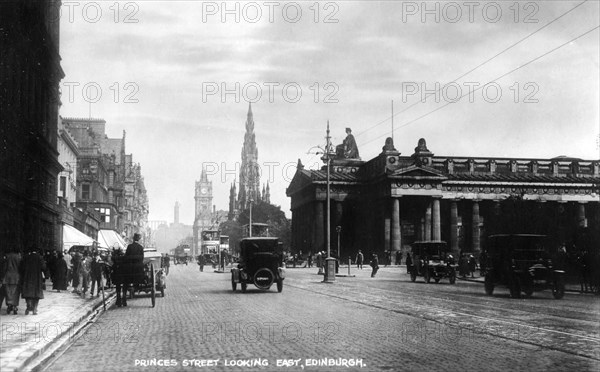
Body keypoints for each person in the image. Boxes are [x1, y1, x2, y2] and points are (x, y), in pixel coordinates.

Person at [20, 247, 47, 315]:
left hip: (28, 277)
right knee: (36, 293)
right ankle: (35, 309)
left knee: (28, 292)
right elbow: (44, 267)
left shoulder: (26, 257)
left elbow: (22, 267)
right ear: (37, 251)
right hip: (37, 278)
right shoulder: (40, 257)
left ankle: (28, 305)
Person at [2, 248, 21, 314]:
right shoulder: (19, 257)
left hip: (7, 276)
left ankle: (9, 304)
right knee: (15, 292)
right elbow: (20, 267)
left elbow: (4, 267)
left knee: (8, 292)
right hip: (16, 277)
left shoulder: (7, 256)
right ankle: (15, 305)